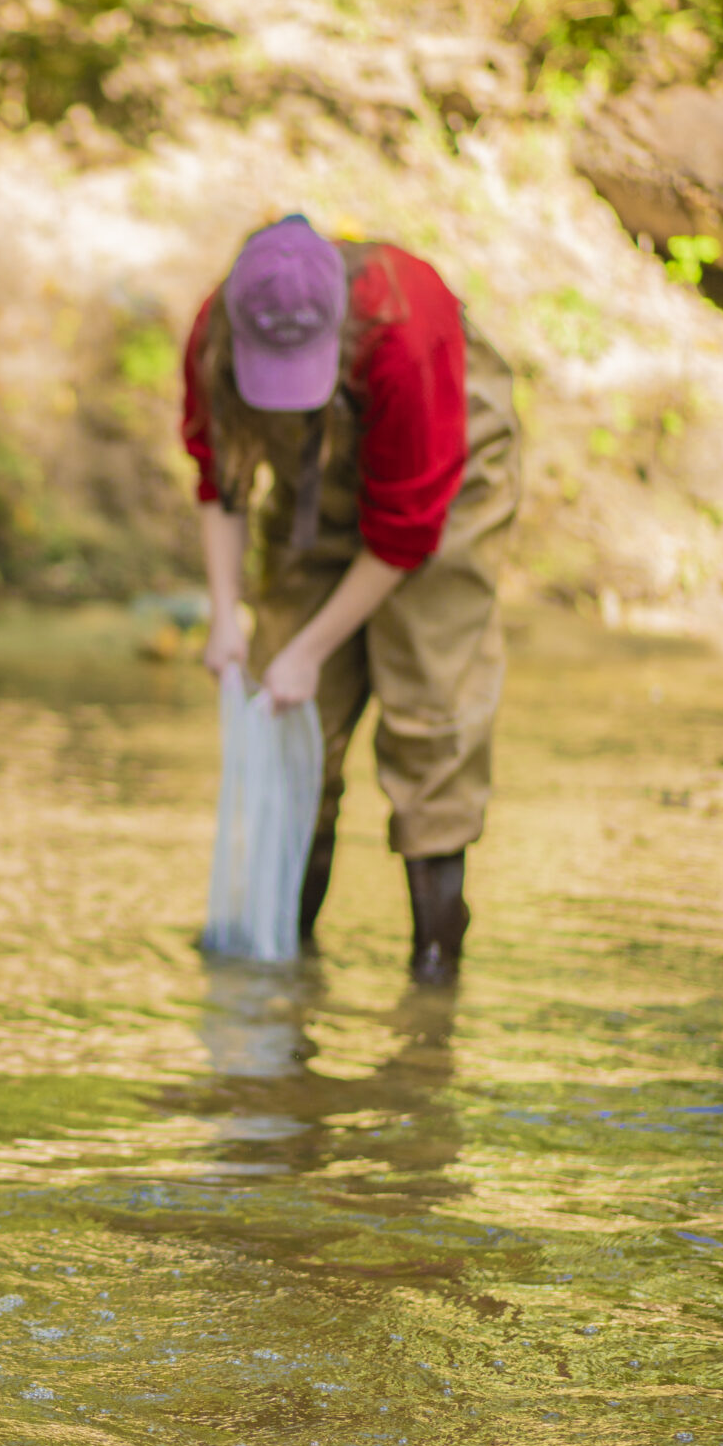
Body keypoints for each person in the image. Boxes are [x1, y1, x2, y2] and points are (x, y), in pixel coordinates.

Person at [182, 215, 521, 984]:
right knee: (285, 703)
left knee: (430, 704)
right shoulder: (213, 331)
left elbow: (406, 534)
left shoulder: (405, 337)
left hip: (444, 474)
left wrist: (312, 648)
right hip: (313, 484)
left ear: (336, 335)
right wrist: (226, 614)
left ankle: (433, 988)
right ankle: (284, 972)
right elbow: (218, 476)